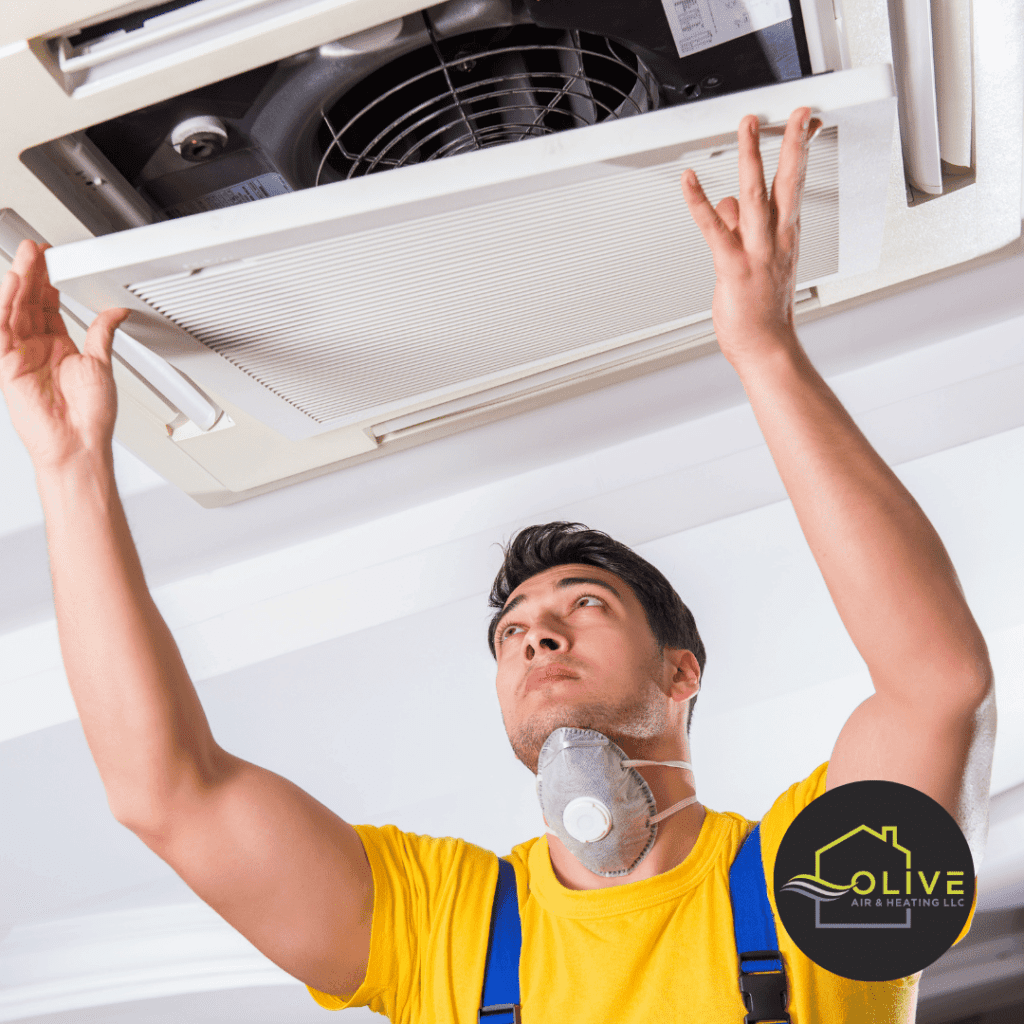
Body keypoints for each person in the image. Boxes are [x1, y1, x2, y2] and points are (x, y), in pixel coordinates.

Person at [0, 107, 996, 1022]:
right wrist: (70, 468)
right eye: (511, 631)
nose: (536, 636)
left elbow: (934, 685)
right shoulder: (450, 930)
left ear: (679, 671)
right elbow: (168, 793)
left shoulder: (809, 891)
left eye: (584, 603)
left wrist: (764, 349)